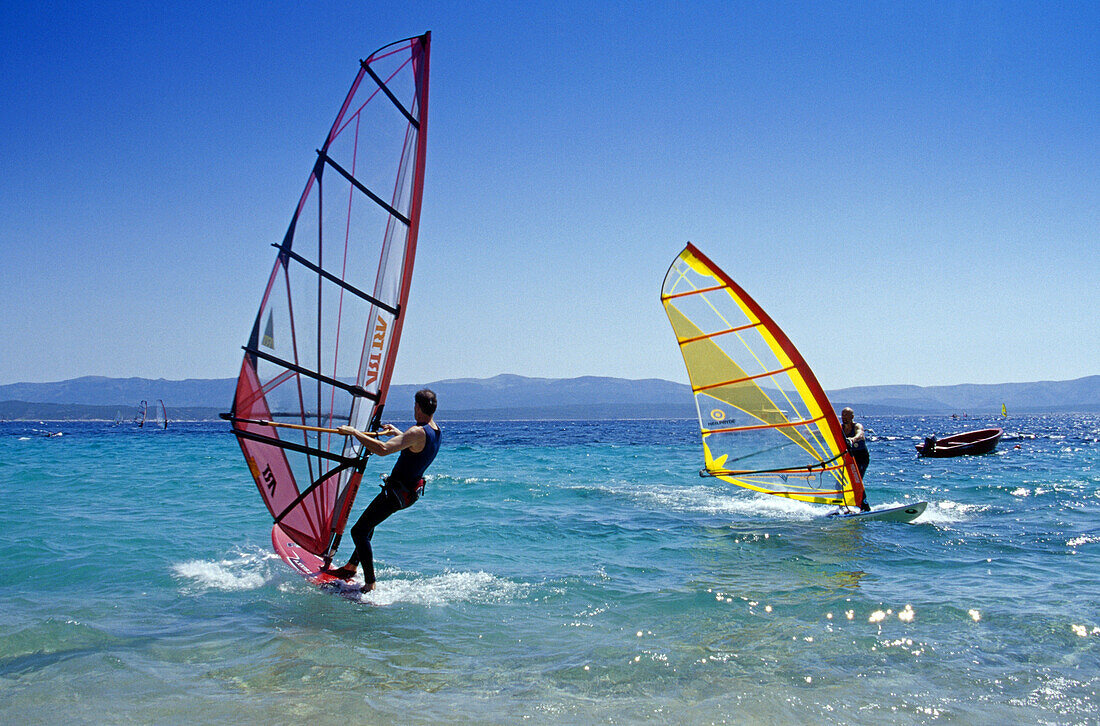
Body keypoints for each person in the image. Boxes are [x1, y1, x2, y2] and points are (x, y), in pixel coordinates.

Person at [325, 389, 442, 592]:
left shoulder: (416, 432)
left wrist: (354, 433)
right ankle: (351, 566)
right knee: (369, 526)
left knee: (359, 531)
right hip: (408, 493)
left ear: (417, 407)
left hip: (396, 494)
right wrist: (397, 432)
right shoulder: (435, 431)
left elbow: (383, 449)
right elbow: (414, 445)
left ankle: (370, 583)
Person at [840, 407, 872, 512]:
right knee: (840, 482)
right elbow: (827, 431)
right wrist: (809, 432)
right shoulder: (840, 428)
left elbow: (860, 434)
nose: (844, 417)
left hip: (861, 458)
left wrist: (852, 439)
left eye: (846, 415)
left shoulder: (857, 426)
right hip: (849, 458)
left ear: (852, 417)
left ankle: (865, 507)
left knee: (857, 481)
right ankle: (843, 507)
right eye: (842, 415)